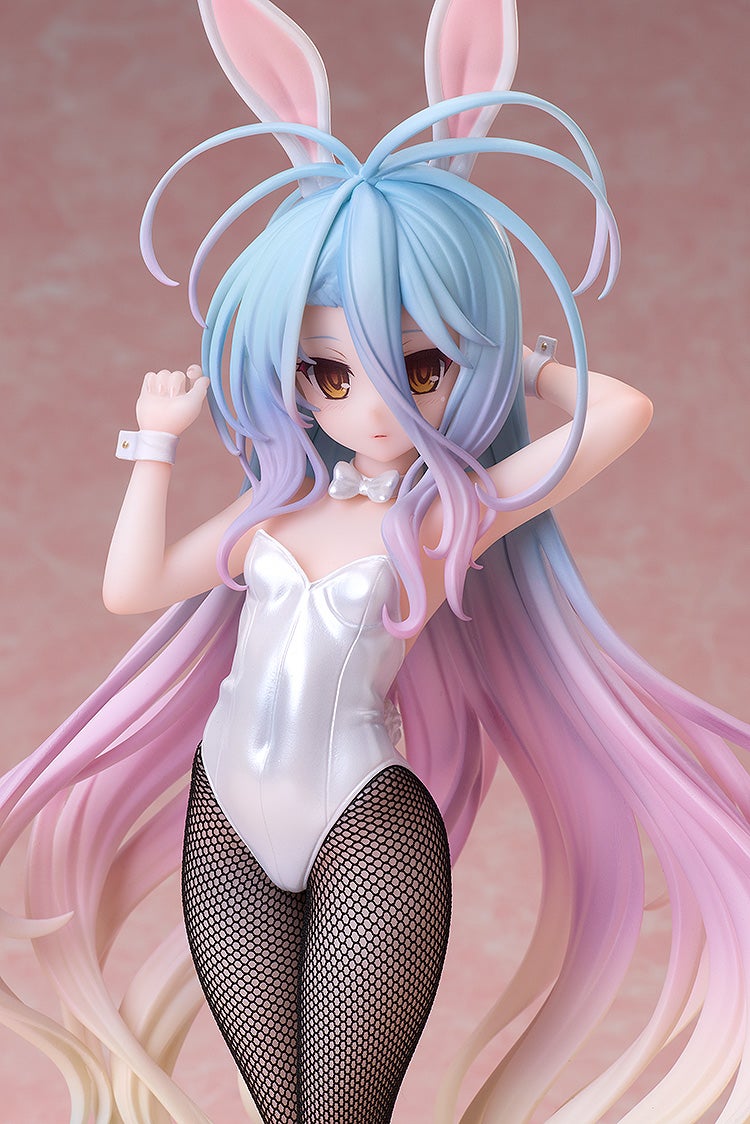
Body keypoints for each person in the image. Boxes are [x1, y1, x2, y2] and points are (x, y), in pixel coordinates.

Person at [2, 1, 749, 1121]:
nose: (376, 405)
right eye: (331, 373)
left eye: (422, 366)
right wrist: (154, 444)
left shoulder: (448, 517)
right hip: (226, 824)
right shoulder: (271, 514)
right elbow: (131, 588)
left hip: (367, 826)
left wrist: (521, 360)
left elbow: (623, 411)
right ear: (291, 374)